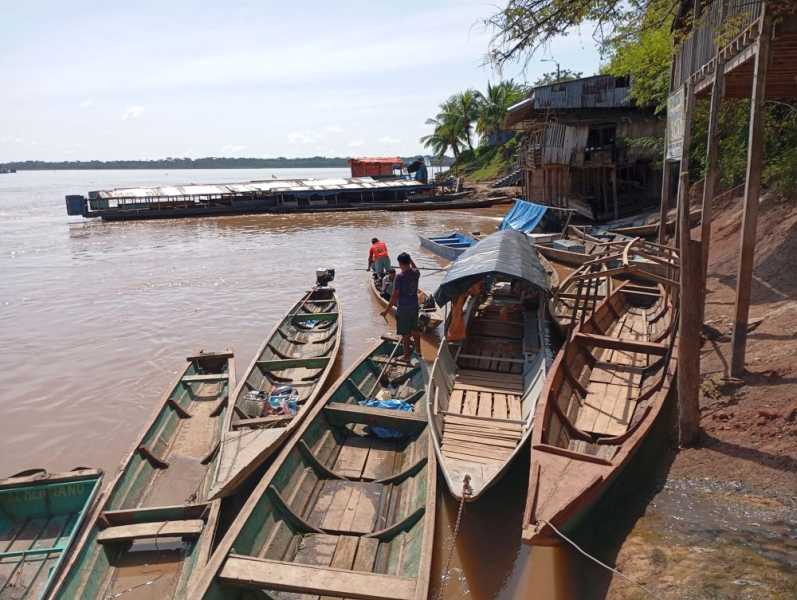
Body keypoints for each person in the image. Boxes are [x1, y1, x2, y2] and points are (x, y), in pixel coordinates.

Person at [381, 252, 420, 361]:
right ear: (409, 261)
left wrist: (386, 310)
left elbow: (394, 296)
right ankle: (419, 352)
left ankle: (406, 356)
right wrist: (410, 259)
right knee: (415, 330)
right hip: (414, 306)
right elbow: (415, 267)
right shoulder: (416, 273)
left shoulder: (400, 277)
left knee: (405, 333)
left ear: (400, 263)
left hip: (404, 308)